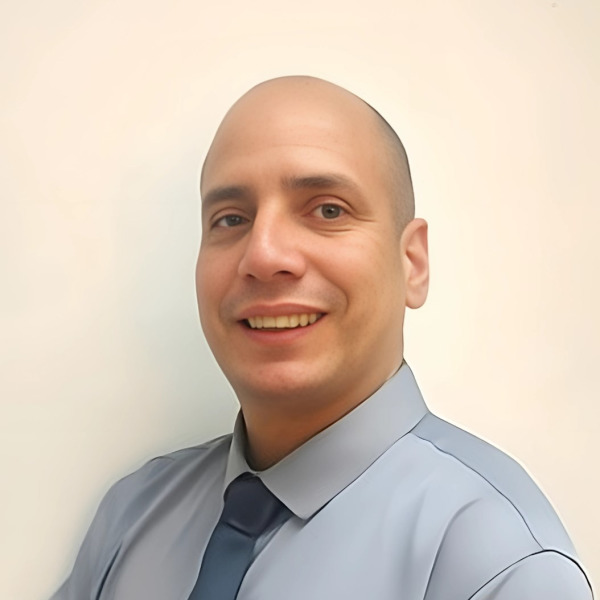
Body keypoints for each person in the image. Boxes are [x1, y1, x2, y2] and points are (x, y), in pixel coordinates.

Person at [50, 76, 593, 600]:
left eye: (328, 210)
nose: (263, 255)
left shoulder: (500, 566)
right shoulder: (132, 516)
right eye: (231, 219)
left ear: (412, 263)